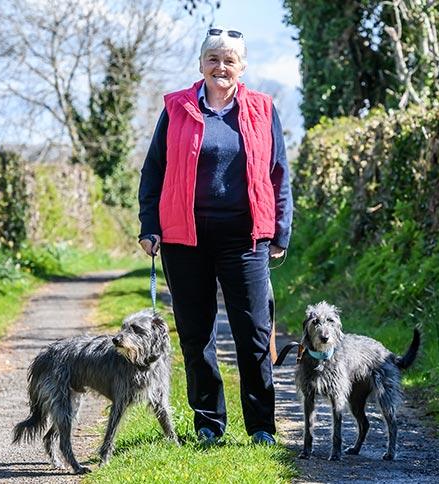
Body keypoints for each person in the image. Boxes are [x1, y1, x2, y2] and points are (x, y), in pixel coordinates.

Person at [137, 27, 293, 446]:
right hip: (184, 237)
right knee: (195, 332)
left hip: (245, 237)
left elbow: (278, 173)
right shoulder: (176, 108)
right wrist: (149, 225)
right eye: (213, 59)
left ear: (241, 67)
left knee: (255, 332)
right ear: (201, 64)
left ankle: (261, 426)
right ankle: (208, 423)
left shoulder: (262, 108)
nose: (220, 67)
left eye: (229, 60)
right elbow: (153, 170)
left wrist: (281, 230)